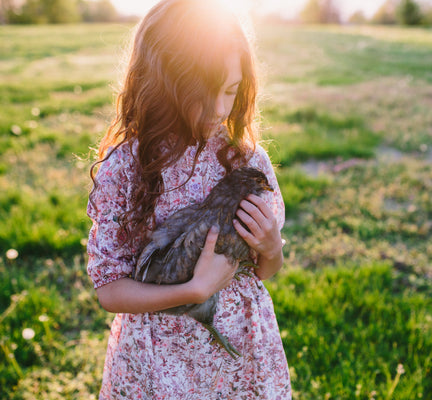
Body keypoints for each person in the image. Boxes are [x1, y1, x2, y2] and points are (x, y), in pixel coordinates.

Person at [86, 0, 291, 398]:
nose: (219, 108)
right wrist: (193, 291)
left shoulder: (245, 160)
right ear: (162, 84)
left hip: (241, 354)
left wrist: (271, 247)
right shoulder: (126, 169)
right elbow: (109, 289)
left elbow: (264, 271)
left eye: (230, 91)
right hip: (160, 363)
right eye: (204, 93)